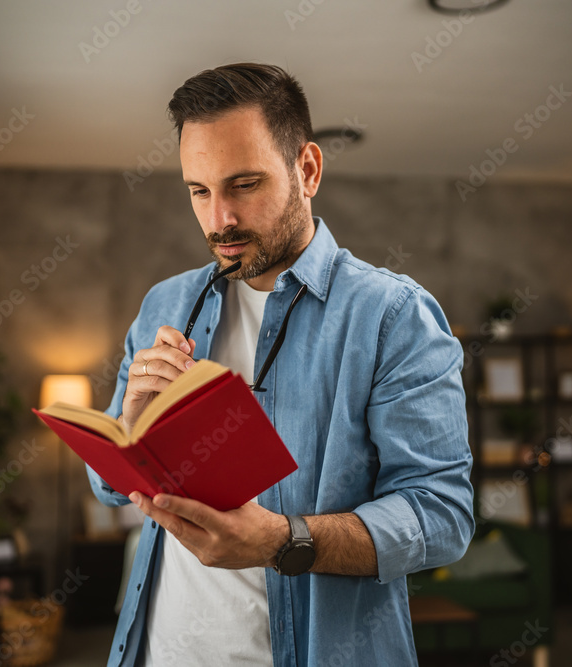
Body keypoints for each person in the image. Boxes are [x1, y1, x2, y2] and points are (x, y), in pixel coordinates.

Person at [87, 62, 474, 667]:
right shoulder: (165, 303)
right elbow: (108, 487)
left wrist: (283, 541)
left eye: (244, 185)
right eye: (199, 191)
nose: (219, 220)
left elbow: (442, 515)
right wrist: (130, 425)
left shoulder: (392, 315)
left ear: (308, 169)